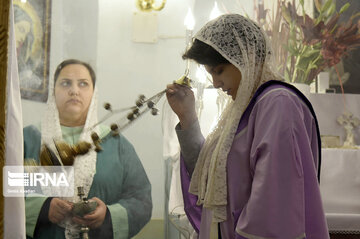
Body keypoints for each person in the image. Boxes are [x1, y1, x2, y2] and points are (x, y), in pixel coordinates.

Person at [166, 14, 329, 239]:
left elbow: (273, 202)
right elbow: (212, 182)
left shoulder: (277, 103)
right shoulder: (244, 108)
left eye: (219, 70)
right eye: (210, 73)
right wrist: (187, 117)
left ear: (246, 57)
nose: (215, 83)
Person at [24, 59, 152, 238]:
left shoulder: (114, 142)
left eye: (83, 84)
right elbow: (5, 192)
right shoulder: (28, 139)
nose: (74, 90)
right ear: (53, 92)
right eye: (65, 83)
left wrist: (107, 215)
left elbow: (141, 199)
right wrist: (43, 208)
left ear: (94, 93)